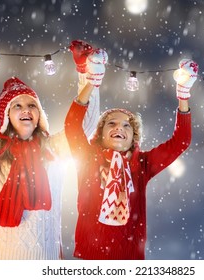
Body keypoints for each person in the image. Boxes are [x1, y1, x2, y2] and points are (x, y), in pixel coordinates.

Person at [0, 33, 108, 259]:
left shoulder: (54, 150)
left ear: (39, 114)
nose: (26, 109)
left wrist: (86, 74)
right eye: (17, 106)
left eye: (32, 105)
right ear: (7, 116)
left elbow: (87, 125)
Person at [64, 58, 197, 259]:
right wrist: (92, 81)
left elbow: (181, 141)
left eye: (127, 125)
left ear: (134, 138)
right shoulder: (88, 158)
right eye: (112, 123)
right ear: (100, 134)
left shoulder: (141, 165)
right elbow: (72, 125)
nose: (119, 127)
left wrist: (183, 96)